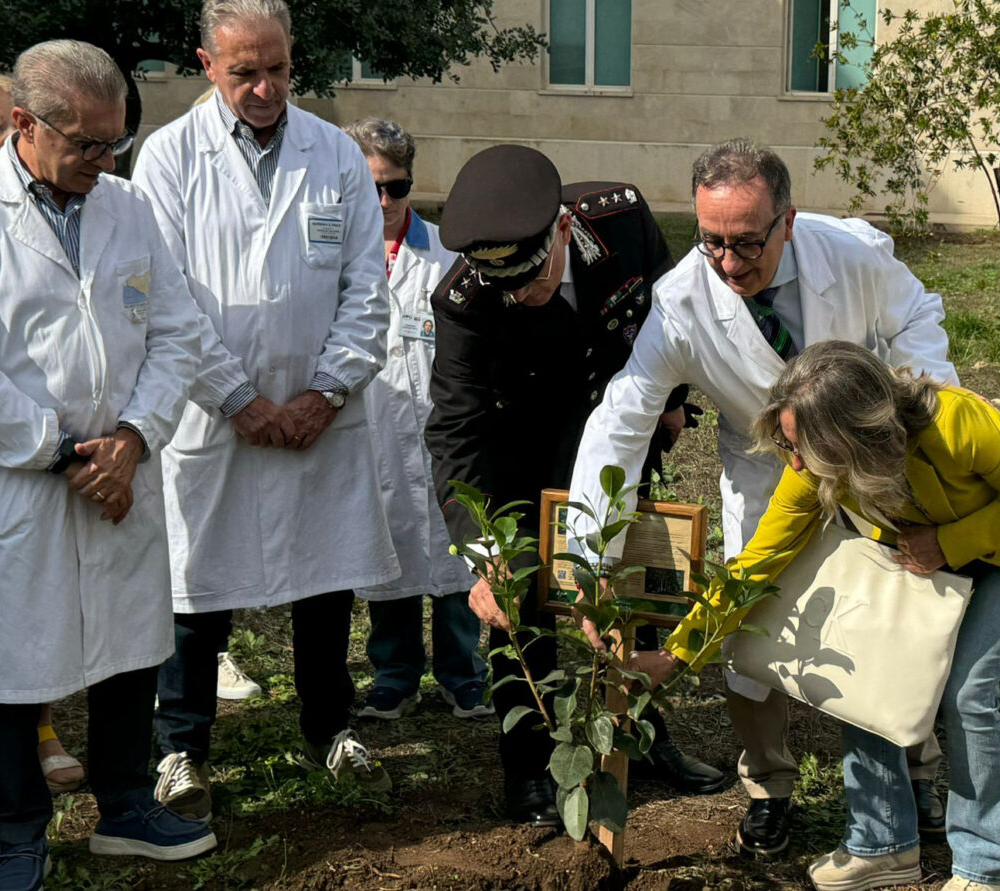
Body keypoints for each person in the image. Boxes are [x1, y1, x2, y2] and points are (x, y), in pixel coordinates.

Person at [566, 138, 956, 856]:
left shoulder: (851, 252)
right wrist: (588, 556)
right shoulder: (683, 299)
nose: (728, 263)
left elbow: (915, 315)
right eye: (711, 241)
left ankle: (914, 768)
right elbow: (625, 416)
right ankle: (769, 785)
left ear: (788, 221)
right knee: (748, 635)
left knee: (899, 612)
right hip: (766, 470)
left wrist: (919, 405)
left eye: (747, 243)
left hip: (870, 458)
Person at [631, 341, 1000, 891]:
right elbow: (757, 563)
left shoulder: (959, 424)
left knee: (967, 692)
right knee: (862, 668)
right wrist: (678, 652)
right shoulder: (809, 462)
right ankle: (882, 846)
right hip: (936, 548)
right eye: (789, 443)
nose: (797, 463)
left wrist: (950, 542)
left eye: (805, 446)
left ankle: (983, 868)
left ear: (858, 434)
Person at [0, 39, 213, 890]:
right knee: (12, 657)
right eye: (87, 144)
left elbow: (175, 333)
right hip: (14, 481)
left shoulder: (129, 209)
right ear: (23, 123)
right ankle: (19, 830)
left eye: (117, 142)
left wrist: (132, 438)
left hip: (121, 469)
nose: (105, 160)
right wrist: (65, 451)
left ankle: (127, 802)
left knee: (132, 641)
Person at [134, 0, 397, 822]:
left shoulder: (336, 157)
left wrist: (325, 392)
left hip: (322, 414)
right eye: (243, 71)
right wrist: (239, 400)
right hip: (214, 421)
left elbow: (367, 290)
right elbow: (165, 303)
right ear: (207, 63)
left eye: (276, 68)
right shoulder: (169, 158)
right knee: (196, 589)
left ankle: (332, 726)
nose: (263, 87)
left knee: (324, 586)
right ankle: (181, 745)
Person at [425, 144, 724, 828]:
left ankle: (645, 739)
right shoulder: (466, 301)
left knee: (636, 580)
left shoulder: (619, 222)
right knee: (518, 605)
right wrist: (480, 552)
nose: (520, 296)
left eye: (531, 279)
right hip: (520, 454)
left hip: (616, 432)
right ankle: (527, 768)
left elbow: (669, 309)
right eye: (505, 286)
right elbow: (454, 429)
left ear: (562, 228)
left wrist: (674, 397)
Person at [0, 71, 89, 830]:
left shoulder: (52, 214)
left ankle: (39, 726)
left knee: (27, 597)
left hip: (27, 446)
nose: (11, 139)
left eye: (16, 124)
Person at [343, 117, 492, 722]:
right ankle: (395, 674)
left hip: (442, 433)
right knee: (388, 552)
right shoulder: (336, 256)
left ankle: (463, 673)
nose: (384, 201)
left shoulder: (446, 256)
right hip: (369, 431)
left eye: (397, 187)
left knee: (454, 551)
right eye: (371, 185)